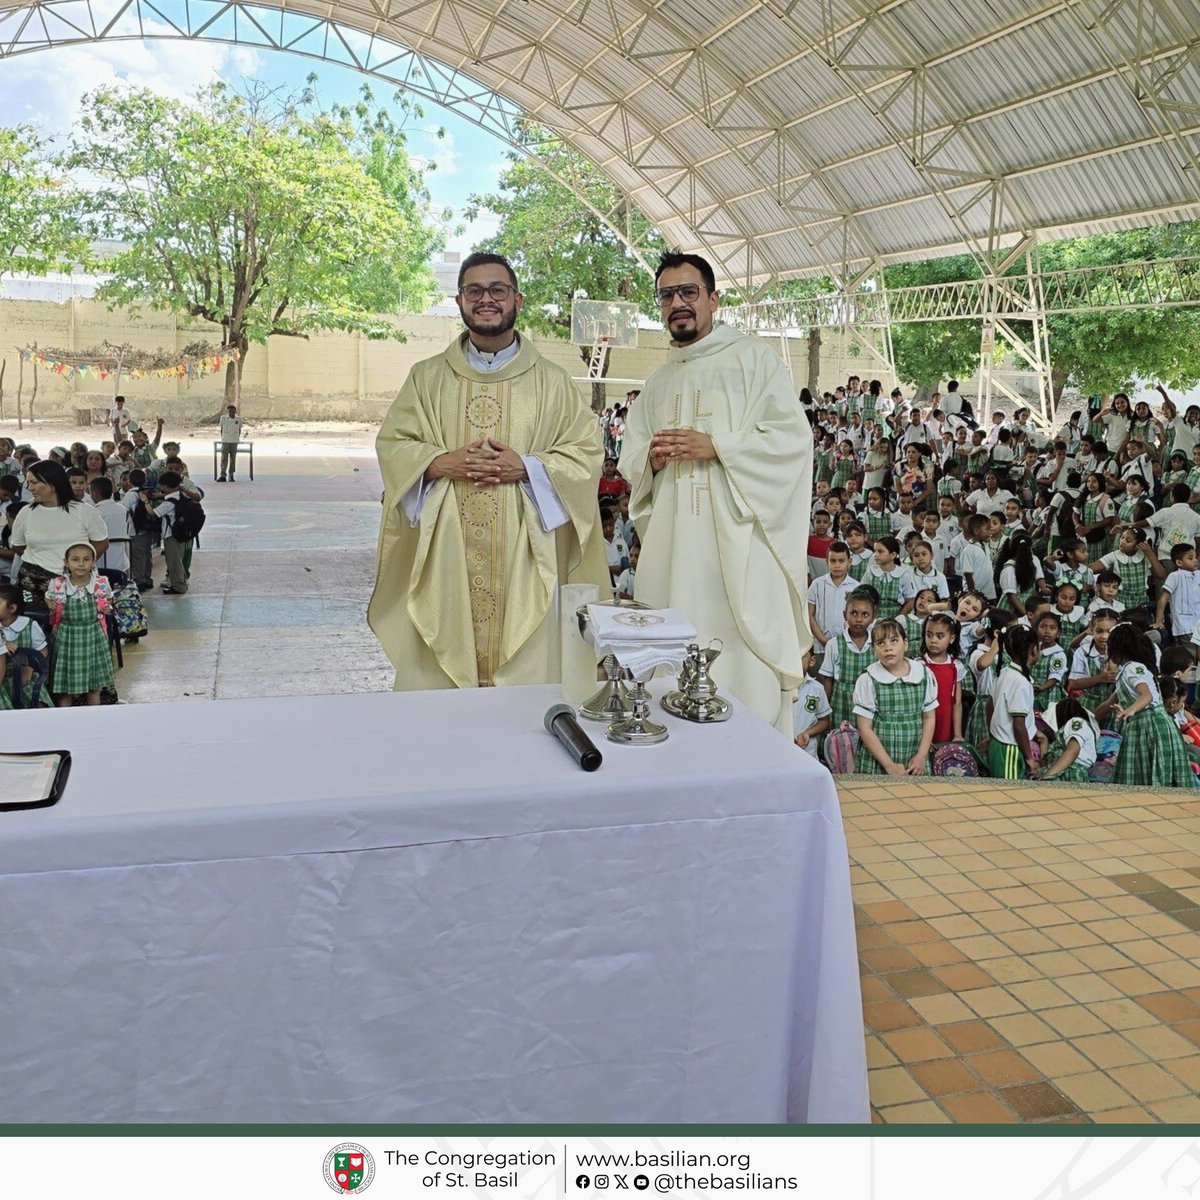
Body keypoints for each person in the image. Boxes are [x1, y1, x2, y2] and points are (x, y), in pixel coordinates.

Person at [368, 252, 608, 689]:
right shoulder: (426, 378)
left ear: (517, 300)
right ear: (459, 301)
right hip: (447, 555)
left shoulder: (553, 382)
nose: (486, 300)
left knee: (525, 683)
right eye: (474, 291)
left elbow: (586, 454)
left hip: (526, 558)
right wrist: (439, 462)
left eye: (498, 290)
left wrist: (529, 467)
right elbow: (394, 444)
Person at [620, 251, 813, 734]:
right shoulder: (659, 380)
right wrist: (650, 462)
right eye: (667, 296)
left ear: (713, 299)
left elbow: (793, 441)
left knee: (742, 675)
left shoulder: (754, 360)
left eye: (689, 292)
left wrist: (717, 446)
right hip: (672, 551)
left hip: (738, 551)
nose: (677, 303)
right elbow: (632, 455)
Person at [9, 460, 109, 605]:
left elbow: (101, 544)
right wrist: (42, 560)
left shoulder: (85, 511)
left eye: (34, 482)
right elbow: (18, 546)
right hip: (32, 587)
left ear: (53, 484)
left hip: (75, 586)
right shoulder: (26, 512)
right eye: (28, 483)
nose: (30, 488)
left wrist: (79, 565)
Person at [1106, 624, 1195, 788]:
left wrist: (1131, 710)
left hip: (1151, 726)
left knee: (1155, 775)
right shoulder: (1129, 670)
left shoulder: (1133, 668)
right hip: (1144, 725)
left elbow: (1146, 695)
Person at [852, 618, 938, 775]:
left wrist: (921, 756)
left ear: (905, 644)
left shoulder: (923, 674)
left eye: (894, 641)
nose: (888, 648)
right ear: (874, 649)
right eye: (880, 643)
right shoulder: (868, 679)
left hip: (914, 758)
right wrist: (889, 765)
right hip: (879, 760)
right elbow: (865, 728)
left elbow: (929, 718)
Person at [45, 542, 115, 707]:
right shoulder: (58, 584)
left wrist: (107, 607)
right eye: (75, 559)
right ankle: (65, 717)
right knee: (64, 687)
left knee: (94, 685)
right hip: (66, 637)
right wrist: (50, 604)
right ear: (66, 562)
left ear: (93, 562)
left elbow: (110, 600)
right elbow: (48, 597)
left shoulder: (101, 583)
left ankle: (94, 716)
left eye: (86, 559)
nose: (81, 564)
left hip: (94, 636)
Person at [987, 624, 1040, 779]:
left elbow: (989, 706)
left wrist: (993, 733)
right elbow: (1018, 724)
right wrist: (1029, 757)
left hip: (998, 743)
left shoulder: (1004, 672)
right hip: (1010, 748)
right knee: (1010, 790)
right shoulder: (1020, 682)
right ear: (1033, 650)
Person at [0, 582, 51, 709]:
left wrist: (30, 666)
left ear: (12, 608)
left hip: (24, 676)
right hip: (2, 678)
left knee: (39, 704)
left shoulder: (29, 625)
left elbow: (43, 651)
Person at [921, 612, 964, 744]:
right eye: (929, 635)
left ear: (951, 638)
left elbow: (957, 703)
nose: (933, 640)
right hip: (924, 720)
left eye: (939, 636)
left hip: (945, 720)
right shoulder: (919, 665)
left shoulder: (956, 666)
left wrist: (957, 734)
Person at [792, 648, 832, 758]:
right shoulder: (777, 687)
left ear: (812, 661)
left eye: (802, 656)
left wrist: (807, 733)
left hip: (807, 752)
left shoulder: (817, 689)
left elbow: (824, 721)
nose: (796, 659)